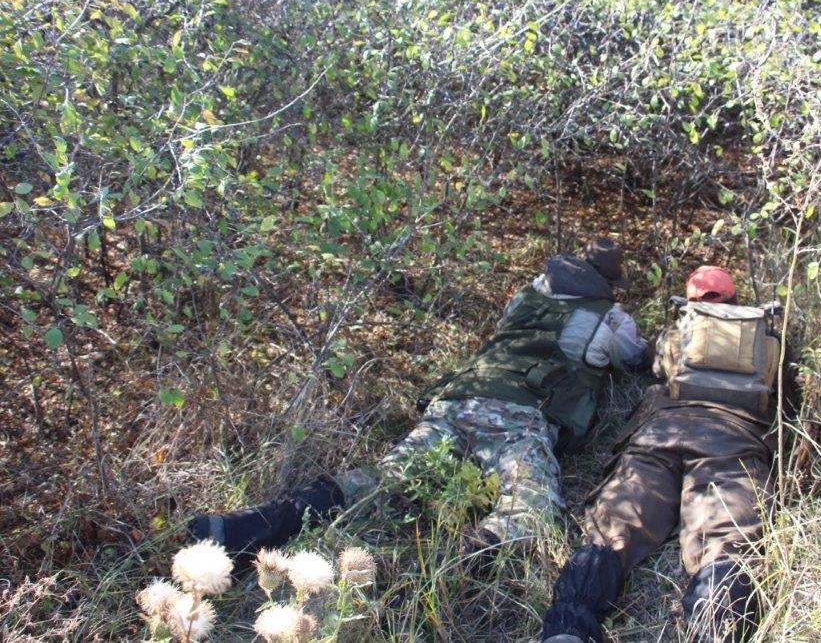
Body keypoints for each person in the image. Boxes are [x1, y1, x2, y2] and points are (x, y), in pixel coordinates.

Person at [188, 237, 649, 567]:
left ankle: (249, 525)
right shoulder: (609, 318)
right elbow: (636, 358)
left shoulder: (529, 292)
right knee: (532, 507)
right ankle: (454, 572)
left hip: (453, 403)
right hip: (519, 418)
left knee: (382, 481)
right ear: (609, 282)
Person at [540, 265, 783, 643]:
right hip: (732, 440)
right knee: (727, 539)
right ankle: (716, 632)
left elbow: (654, 368)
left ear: (689, 303)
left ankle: (568, 629)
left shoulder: (675, 334)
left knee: (612, 527)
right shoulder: (768, 341)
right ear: (736, 300)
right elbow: (784, 394)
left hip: (659, 435)